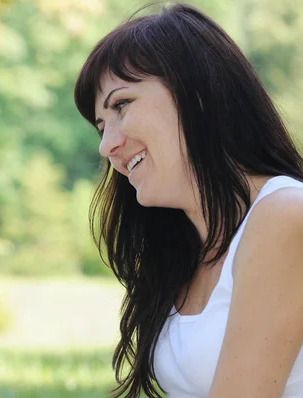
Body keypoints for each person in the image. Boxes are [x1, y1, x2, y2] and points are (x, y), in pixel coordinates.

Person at [74, 3, 303, 398]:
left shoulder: (284, 214)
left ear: (196, 94)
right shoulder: (185, 248)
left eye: (122, 105)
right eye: (101, 125)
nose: (107, 145)